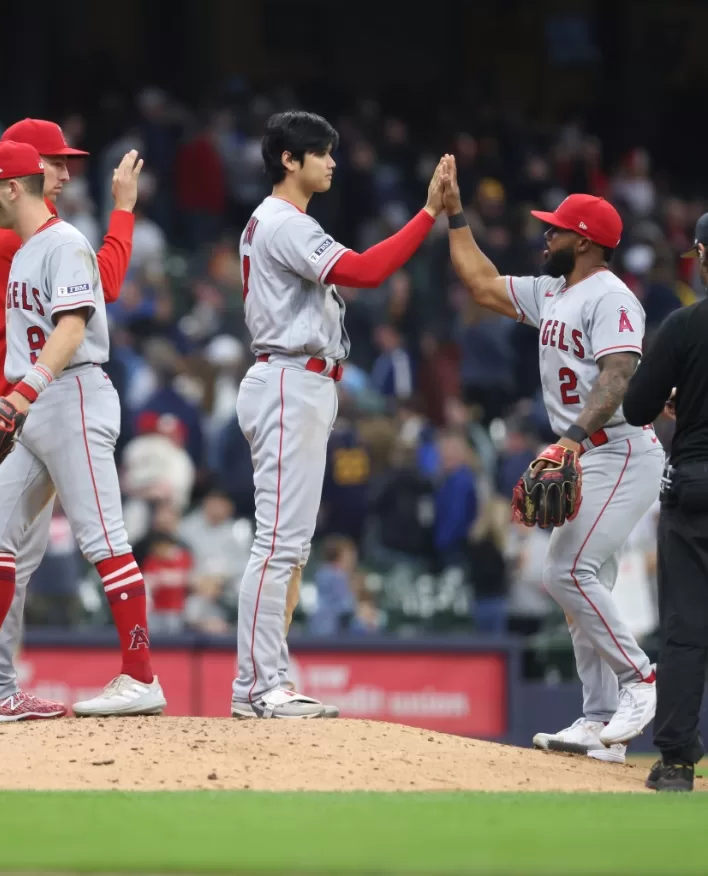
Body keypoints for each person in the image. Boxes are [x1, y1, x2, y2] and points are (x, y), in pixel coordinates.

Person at [0, 140, 166, 718]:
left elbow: (73, 327)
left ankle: (141, 677)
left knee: (104, 540)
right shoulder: (24, 249)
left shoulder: (63, 243)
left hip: (72, 395)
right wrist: (22, 396)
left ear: (15, 186)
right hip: (38, 402)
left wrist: (23, 392)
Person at [439, 155, 663, 763]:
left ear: (585, 242)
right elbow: (482, 283)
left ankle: (641, 680)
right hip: (586, 453)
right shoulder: (555, 292)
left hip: (618, 451)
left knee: (565, 573)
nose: (546, 234)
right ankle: (598, 722)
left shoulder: (612, 297)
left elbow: (618, 375)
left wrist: (569, 441)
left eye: (558, 229)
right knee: (585, 590)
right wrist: (454, 212)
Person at [231, 111, 443, 718]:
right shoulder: (283, 222)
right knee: (277, 544)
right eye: (320, 153)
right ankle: (257, 687)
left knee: (288, 546)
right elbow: (368, 271)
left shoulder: (280, 222)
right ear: (289, 160)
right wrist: (426, 213)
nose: (331, 162)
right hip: (287, 381)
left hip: (300, 382)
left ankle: (266, 680)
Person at [0, 118, 140, 723]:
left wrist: (16, 395)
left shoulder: (5, 238)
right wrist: (124, 214)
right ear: (21, 180)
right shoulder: (23, 239)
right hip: (20, 400)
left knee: (25, 549)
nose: (63, 173)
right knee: (8, 549)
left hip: (26, 396)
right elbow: (101, 287)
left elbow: (77, 316)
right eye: (54, 162)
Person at [621, 211, 708, 792]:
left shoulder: (683, 326)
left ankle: (676, 763)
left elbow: (634, 407)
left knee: (686, 627)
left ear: (700, 255)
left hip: (697, 487)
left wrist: (680, 396)